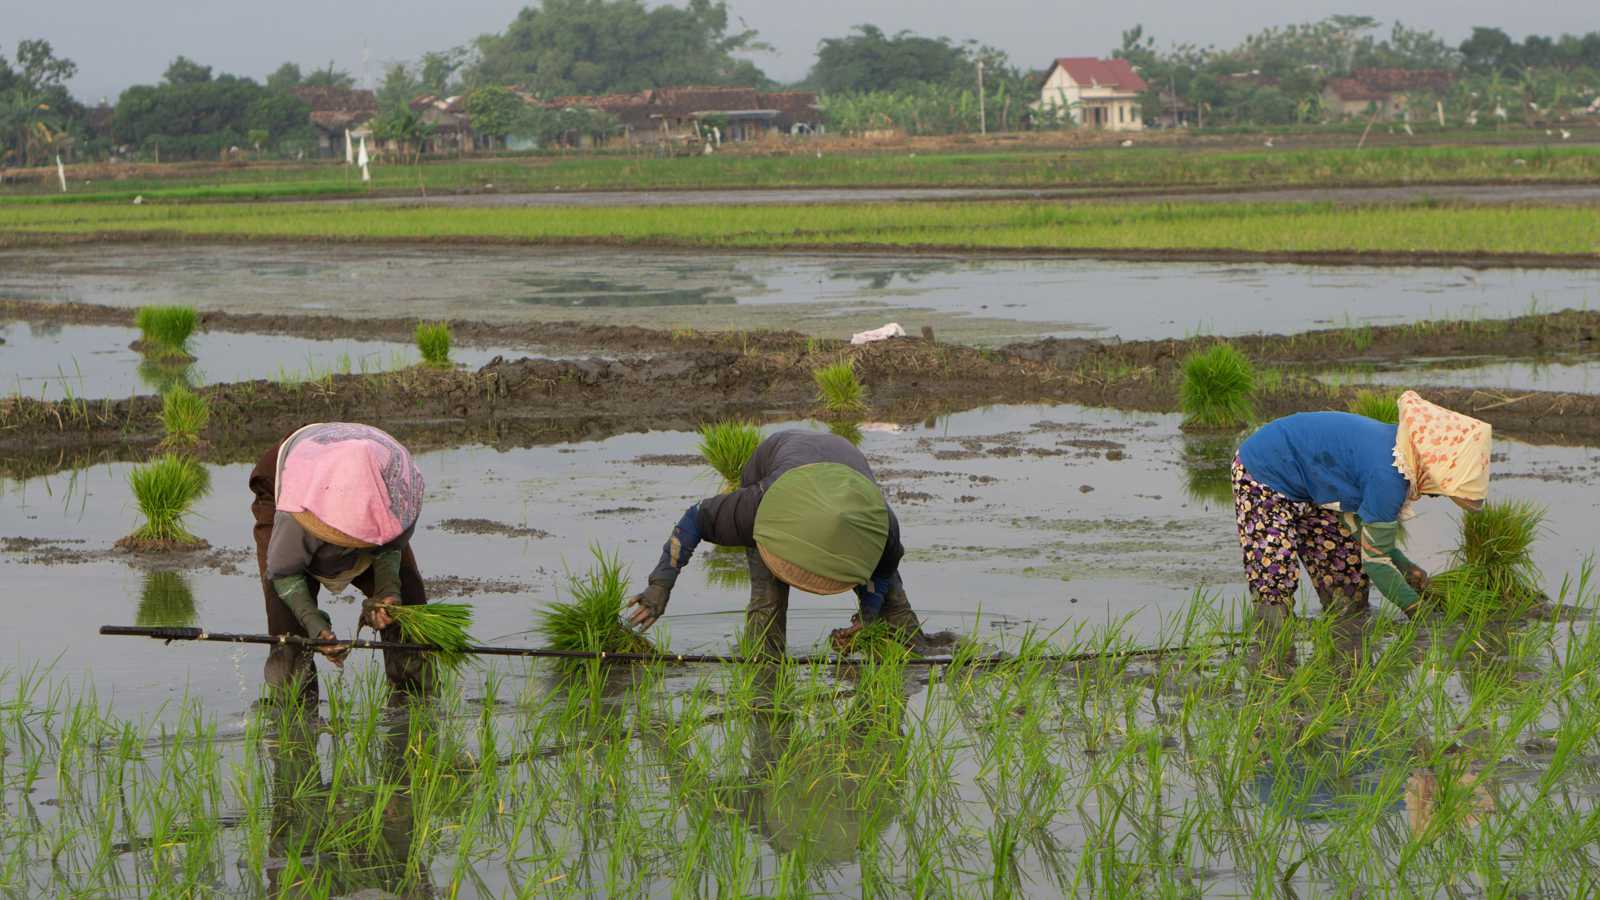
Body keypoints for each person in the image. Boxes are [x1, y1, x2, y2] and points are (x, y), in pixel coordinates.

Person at [626, 429, 924, 656]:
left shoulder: (880, 526)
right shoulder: (755, 508)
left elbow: (881, 573)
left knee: (892, 605)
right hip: (779, 474)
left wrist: (867, 618)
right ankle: (764, 677)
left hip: (847, 477)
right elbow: (694, 518)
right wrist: (660, 585)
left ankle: (914, 648)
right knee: (767, 606)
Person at [1232, 390, 1492, 632]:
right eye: (1440, 490)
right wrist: (1418, 612)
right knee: (1275, 575)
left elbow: (1359, 527)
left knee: (1346, 577)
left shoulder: (1403, 452)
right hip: (1264, 471)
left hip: (1313, 482)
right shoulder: (1390, 476)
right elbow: (1376, 563)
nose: (1434, 495)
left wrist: (1405, 567)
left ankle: (1347, 646)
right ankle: (1272, 643)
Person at [249, 422, 430, 698]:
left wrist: (388, 591)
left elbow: (391, 545)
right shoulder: (297, 511)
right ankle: (294, 709)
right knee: (286, 623)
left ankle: (413, 699)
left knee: (408, 599)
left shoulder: (397, 492)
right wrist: (312, 622)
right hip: (290, 482)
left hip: (358, 472)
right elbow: (283, 572)